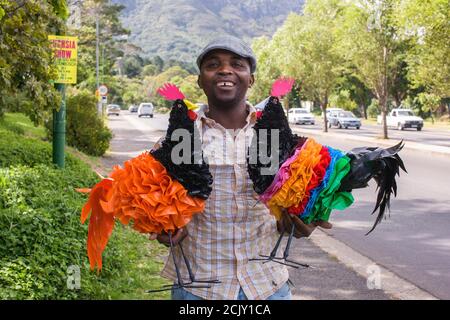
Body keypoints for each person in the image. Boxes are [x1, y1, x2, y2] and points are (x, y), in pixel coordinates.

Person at [149, 35, 331, 300]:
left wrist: (299, 221)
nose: (225, 70)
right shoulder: (178, 140)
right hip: (198, 288)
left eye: (237, 64)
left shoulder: (277, 138)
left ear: (251, 79)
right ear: (200, 80)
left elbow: (291, 207)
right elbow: (157, 207)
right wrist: (165, 228)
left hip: (267, 286)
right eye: (213, 64)